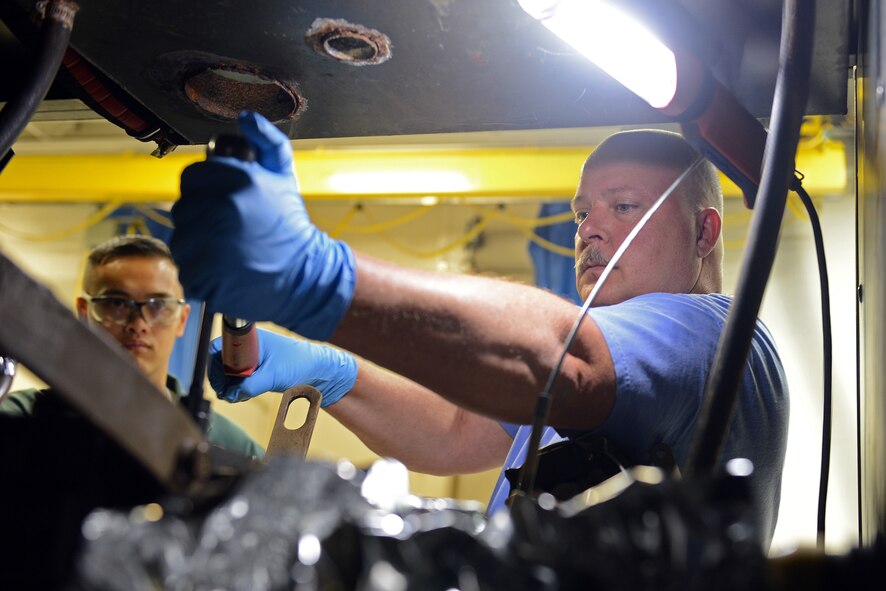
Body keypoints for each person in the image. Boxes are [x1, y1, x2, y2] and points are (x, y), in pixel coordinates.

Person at [170, 112, 788, 548]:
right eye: (581, 213)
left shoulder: (711, 333)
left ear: (705, 232)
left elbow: (569, 363)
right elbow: (456, 434)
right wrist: (334, 375)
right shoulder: (638, 367)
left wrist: (318, 281)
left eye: (623, 207)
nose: (590, 230)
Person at [0, 235, 264, 460]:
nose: (138, 324)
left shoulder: (228, 445)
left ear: (182, 320)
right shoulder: (22, 418)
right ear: (84, 312)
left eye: (158, 305)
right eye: (117, 303)